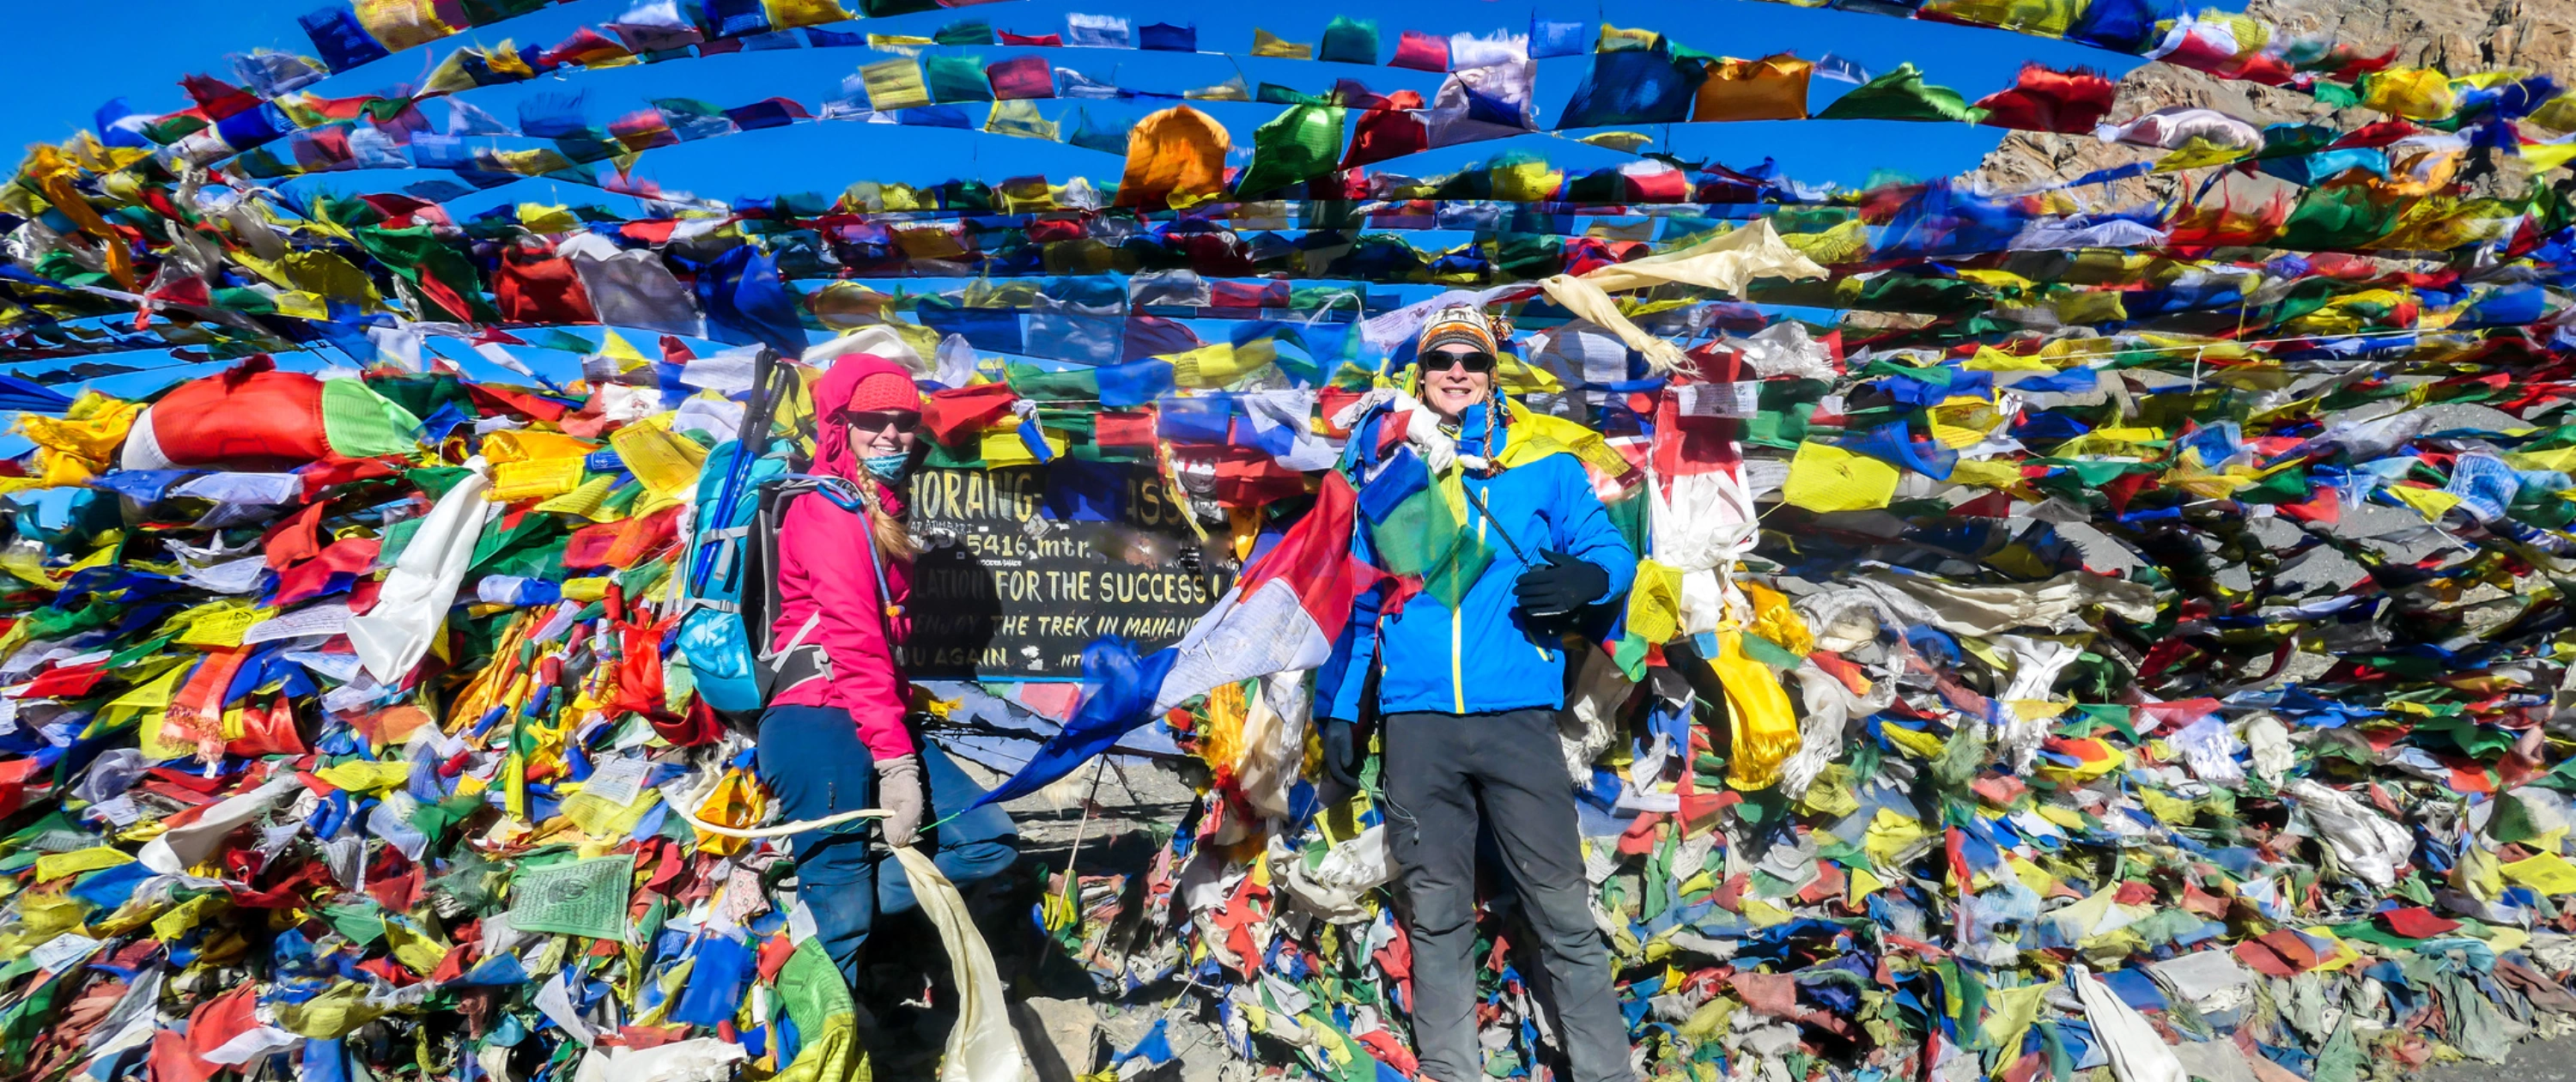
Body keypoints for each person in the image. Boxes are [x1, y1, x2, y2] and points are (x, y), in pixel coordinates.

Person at [1316, 308, 1641, 1082]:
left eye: (1474, 359)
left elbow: (1610, 551)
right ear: (1419, 374)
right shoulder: (1390, 474)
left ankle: (1606, 1073)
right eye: (1442, 359)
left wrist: (1591, 577)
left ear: (1494, 375)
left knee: (1561, 908)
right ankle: (1453, 1069)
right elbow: (1363, 604)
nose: (1458, 371)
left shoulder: (1547, 467)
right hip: (1417, 727)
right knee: (1434, 913)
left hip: (1518, 723)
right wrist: (1342, 707)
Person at [756, 353, 1018, 987]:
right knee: (841, 910)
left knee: (987, 840)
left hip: (874, 714)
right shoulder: (826, 511)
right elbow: (855, 640)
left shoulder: (877, 510)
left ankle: (823, 927)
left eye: (905, 420)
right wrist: (898, 765)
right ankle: (825, 1030)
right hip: (819, 718)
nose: (893, 433)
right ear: (842, 424)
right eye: (875, 419)